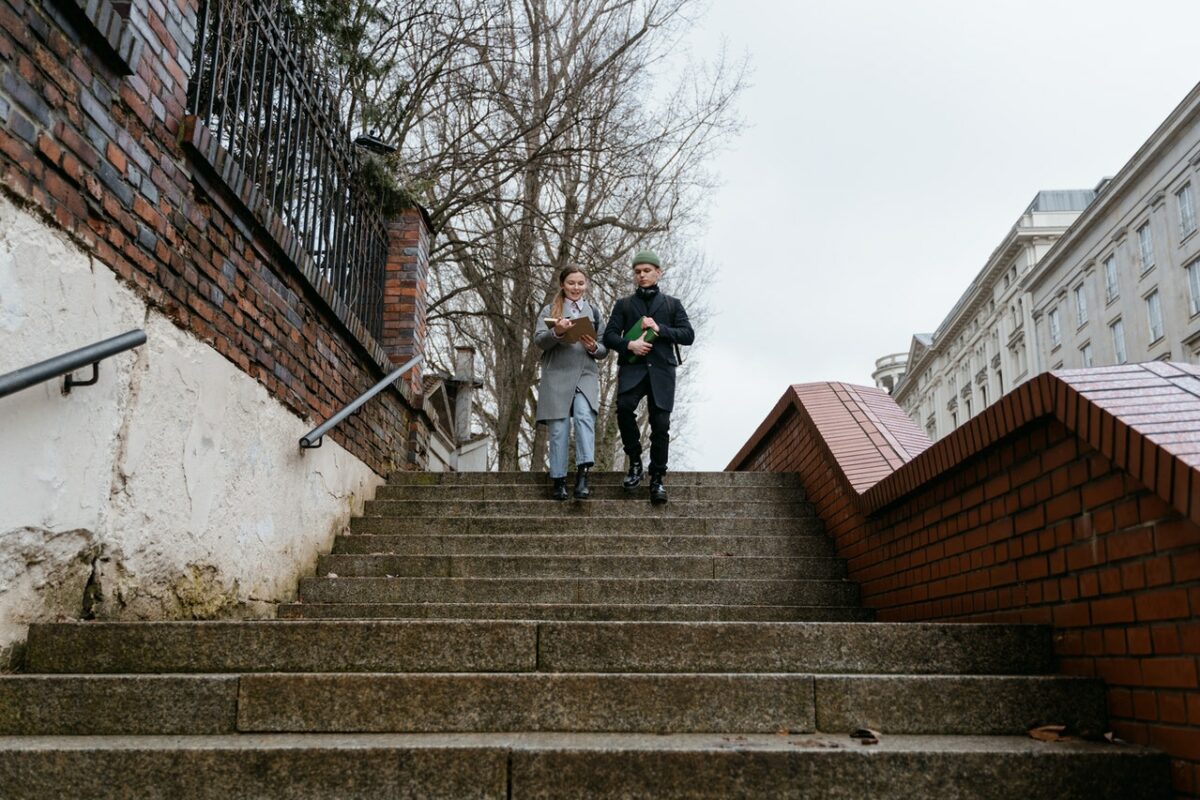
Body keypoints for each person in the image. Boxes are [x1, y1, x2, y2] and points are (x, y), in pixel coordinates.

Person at [602, 250, 694, 504]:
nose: (641, 275)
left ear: (658, 272)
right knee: (624, 410)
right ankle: (634, 462)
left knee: (661, 426)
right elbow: (609, 336)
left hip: (663, 371)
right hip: (632, 369)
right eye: (637, 271)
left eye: (646, 271)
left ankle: (657, 478)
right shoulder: (624, 304)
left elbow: (688, 335)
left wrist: (659, 329)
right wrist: (629, 345)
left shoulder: (672, 304)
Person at [533, 266, 609, 500]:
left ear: (585, 285)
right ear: (563, 285)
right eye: (571, 283)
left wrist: (594, 347)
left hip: (585, 374)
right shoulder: (550, 309)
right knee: (559, 429)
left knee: (585, 417)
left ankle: (583, 475)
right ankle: (559, 480)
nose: (576, 288)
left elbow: (604, 348)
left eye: (580, 283)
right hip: (556, 375)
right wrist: (556, 331)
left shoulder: (594, 312)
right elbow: (539, 341)